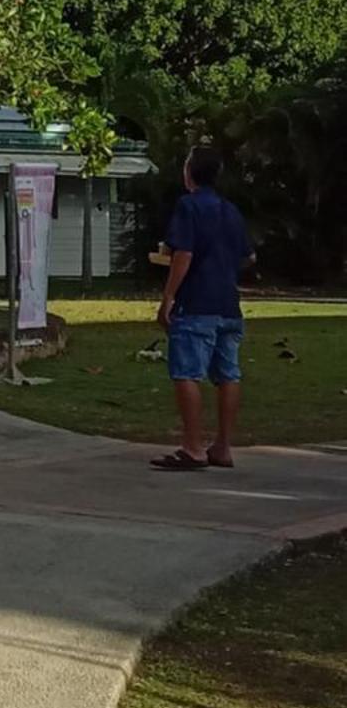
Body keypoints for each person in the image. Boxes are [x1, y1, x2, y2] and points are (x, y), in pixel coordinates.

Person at [151, 145, 254, 472]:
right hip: (228, 304)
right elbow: (248, 256)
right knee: (228, 374)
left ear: (190, 171)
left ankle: (193, 446)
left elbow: (184, 254)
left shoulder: (188, 206)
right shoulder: (230, 210)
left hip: (196, 302)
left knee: (185, 372)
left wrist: (168, 296)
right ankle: (222, 445)